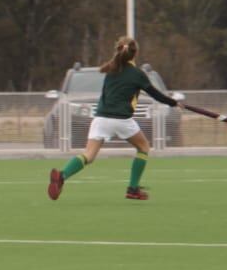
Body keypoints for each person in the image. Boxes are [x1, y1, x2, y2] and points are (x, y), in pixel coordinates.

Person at [47, 36, 179, 202]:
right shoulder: (138, 74)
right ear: (135, 53)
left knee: (88, 155)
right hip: (122, 120)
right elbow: (156, 95)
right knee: (144, 147)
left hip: (100, 118)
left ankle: (62, 175)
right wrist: (173, 103)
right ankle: (132, 188)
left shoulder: (111, 69)